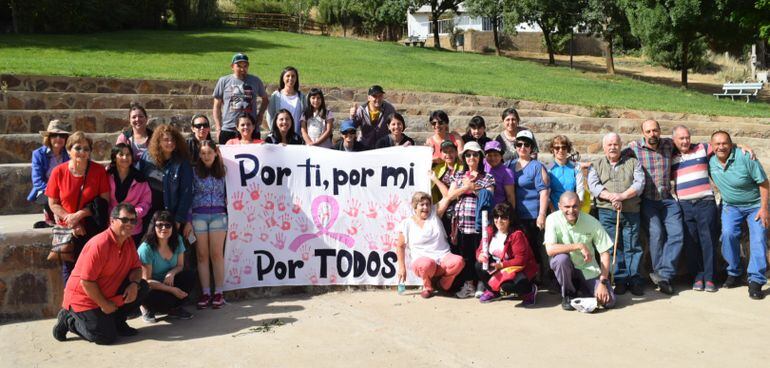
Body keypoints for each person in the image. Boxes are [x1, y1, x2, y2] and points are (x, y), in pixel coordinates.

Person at [52, 203, 149, 345]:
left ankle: (118, 323)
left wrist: (134, 284)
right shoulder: (100, 244)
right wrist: (104, 304)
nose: (129, 224)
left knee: (142, 287)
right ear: (112, 221)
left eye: (133, 220)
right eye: (124, 220)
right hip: (84, 299)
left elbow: (137, 269)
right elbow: (86, 282)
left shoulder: (128, 242)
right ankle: (69, 320)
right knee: (105, 337)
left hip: (107, 292)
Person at [708, 130, 769, 300]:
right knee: (727, 234)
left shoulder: (745, 157)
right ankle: (734, 271)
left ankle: (756, 280)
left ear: (731, 144)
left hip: (755, 205)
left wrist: (764, 209)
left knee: (758, 237)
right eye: (717, 144)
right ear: (711, 146)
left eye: (725, 143)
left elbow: (764, 183)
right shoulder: (710, 161)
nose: (721, 147)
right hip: (731, 206)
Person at [623, 119, 682, 295]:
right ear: (643, 133)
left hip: (667, 200)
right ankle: (661, 275)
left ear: (659, 130)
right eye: (648, 132)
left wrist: (739, 145)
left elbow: (693, 145)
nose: (652, 134)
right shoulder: (633, 148)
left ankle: (663, 274)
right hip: (647, 200)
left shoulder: (669, 144)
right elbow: (613, 156)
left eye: (655, 131)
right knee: (656, 234)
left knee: (677, 233)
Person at [46, 131, 110, 284]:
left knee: (92, 270)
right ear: (69, 150)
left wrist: (79, 215)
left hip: (92, 228)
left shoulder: (98, 170)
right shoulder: (58, 172)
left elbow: (104, 201)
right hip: (68, 229)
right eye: (78, 148)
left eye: (86, 149)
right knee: (70, 270)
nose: (82, 152)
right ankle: (70, 306)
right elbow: (53, 203)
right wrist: (72, 221)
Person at [587, 133, 645, 296]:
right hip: (607, 211)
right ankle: (619, 279)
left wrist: (622, 196)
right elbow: (594, 185)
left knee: (632, 246)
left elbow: (639, 183)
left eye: (615, 144)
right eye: (609, 145)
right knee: (612, 246)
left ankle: (634, 280)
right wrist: (612, 197)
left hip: (631, 210)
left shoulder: (633, 163)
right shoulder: (596, 164)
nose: (613, 147)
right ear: (604, 147)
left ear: (621, 145)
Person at [544, 192, 616, 311]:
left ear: (580, 205)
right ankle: (568, 294)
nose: (571, 210)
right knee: (561, 259)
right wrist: (578, 246)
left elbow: (605, 253)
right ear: (559, 206)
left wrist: (603, 282)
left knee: (609, 301)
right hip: (567, 267)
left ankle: (582, 288)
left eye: (575, 206)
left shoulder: (592, 222)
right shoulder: (552, 219)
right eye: (567, 207)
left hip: (587, 269)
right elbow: (550, 250)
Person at [444, 141, 495, 298]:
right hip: (460, 224)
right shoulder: (458, 175)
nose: (471, 157)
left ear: (480, 157)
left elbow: (489, 197)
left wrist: (472, 188)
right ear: (464, 157)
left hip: (479, 223)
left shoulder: (487, 177)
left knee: (479, 254)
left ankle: (480, 282)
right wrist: (466, 188)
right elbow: (450, 196)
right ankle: (468, 284)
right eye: (468, 154)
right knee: (464, 254)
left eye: (474, 154)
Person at [671, 125, 718, 292]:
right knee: (691, 242)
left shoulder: (702, 148)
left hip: (705, 202)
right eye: (681, 138)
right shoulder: (671, 157)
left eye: (687, 137)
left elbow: (722, 145)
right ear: (674, 140)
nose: (685, 141)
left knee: (708, 240)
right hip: (684, 205)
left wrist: (743, 146)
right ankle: (698, 276)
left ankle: (711, 278)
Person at [396, 192, 465, 298]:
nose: (425, 207)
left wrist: (434, 178)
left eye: (427, 204)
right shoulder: (407, 223)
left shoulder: (435, 214)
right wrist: (402, 268)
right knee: (426, 264)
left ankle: (443, 284)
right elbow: (400, 246)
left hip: (443, 258)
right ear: (415, 207)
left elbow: (448, 195)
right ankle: (427, 286)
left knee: (458, 261)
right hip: (423, 263)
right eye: (421, 205)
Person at [475, 203, 539, 304]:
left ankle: (529, 290)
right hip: (498, 266)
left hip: (518, 268)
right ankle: (493, 292)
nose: (499, 220)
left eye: (504, 217)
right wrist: (480, 256)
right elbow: (479, 250)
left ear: (510, 219)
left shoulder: (517, 235)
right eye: (496, 216)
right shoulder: (490, 230)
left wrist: (501, 265)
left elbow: (520, 260)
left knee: (507, 287)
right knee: (479, 265)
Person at [190, 140, 228, 309]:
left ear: (216, 153)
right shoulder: (193, 172)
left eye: (209, 152)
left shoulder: (225, 171)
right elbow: (189, 195)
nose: (206, 156)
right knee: (202, 255)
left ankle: (219, 292)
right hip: (199, 216)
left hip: (219, 215)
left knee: (216, 254)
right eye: (203, 153)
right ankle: (206, 293)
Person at [138, 211, 195, 322]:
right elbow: (146, 281)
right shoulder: (146, 248)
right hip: (152, 287)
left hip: (169, 281)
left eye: (168, 225)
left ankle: (174, 309)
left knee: (189, 276)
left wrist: (171, 273)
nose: (164, 228)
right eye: (159, 225)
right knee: (159, 299)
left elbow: (180, 266)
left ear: (172, 227)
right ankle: (145, 308)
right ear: (153, 227)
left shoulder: (177, 240)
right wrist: (172, 290)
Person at [137, 124, 193, 236]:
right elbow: (136, 178)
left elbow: (186, 192)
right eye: (166, 140)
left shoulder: (182, 162)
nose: (170, 143)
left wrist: (179, 219)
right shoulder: (147, 157)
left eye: (173, 140)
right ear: (158, 141)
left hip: (171, 213)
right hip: (149, 212)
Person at [511, 130, 549, 281]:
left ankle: (538, 275)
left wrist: (541, 214)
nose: (522, 147)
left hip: (533, 214)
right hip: (516, 214)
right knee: (520, 248)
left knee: (534, 246)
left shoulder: (537, 167)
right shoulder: (510, 165)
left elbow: (544, 192)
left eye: (526, 144)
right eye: (519, 144)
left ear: (531, 147)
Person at [212, 52, 269, 145]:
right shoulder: (224, 81)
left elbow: (265, 99)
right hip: (228, 128)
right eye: (239, 66)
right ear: (232, 66)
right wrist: (218, 127)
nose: (242, 69)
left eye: (245, 66)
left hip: (250, 129)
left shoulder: (255, 81)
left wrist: (260, 115)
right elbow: (216, 106)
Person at [107, 143, 152, 246]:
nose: (125, 158)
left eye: (128, 155)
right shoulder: (107, 175)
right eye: (121, 154)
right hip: (112, 226)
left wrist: (132, 214)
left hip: (133, 228)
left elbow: (146, 202)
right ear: (114, 158)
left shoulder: (140, 178)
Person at [29, 119, 70, 228]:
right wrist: (54, 191)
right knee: (50, 195)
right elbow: (37, 181)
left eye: (62, 136)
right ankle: (50, 219)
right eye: (54, 135)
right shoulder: (38, 154)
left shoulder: (69, 154)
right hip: (44, 190)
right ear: (49, 138)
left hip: (64, 189)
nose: (58, 138)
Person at [546, 135, 585, 210]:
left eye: (564, 147)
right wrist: (553, 210)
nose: (560, 150)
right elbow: (546, 192)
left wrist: (576, 208)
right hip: (554, 209)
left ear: (568, 149)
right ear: (552, 149)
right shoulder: (548, 168)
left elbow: (580, 189)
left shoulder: (576, 167)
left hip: (572, 209)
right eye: (557, 148)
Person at [266, 66, 306, 132]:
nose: (290, 78)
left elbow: (305, 117)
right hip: (279, 137)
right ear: (283, 78)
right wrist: (274, 132)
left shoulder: (301, 97)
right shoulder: (276, 95)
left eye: (293, 76)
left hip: (296, 137)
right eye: (288, 76)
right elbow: (270, 116)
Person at [482, 140, 515, 208]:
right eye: (490, 155)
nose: (493, 158)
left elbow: (510, 196)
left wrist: (512, 214)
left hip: (498, 211)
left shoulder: (507, 172)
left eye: (496, 155)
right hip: (481, 207)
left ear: (501, 156)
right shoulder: (482, 165)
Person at [430, 140, 462, 204]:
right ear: (441, 154)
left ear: (456, 153)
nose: (448, 154)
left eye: (451, 151)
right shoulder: (438, 168)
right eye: (445, 152)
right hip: (439, 203)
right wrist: (432, 160)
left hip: (457, 202)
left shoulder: (463, 167)